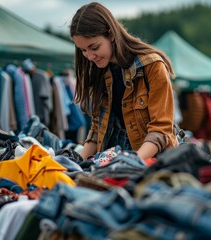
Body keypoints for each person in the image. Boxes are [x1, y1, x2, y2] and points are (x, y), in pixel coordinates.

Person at [70, 2, 179, 161]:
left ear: (111, 34)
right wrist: (77, 164)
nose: (90, 56)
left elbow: (161, 130)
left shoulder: (153, 66)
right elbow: (97, 128)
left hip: (151, 159)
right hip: (109, 157)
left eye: (94, 47)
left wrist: (131, 162)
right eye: (83, 50)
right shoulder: (98, 70)